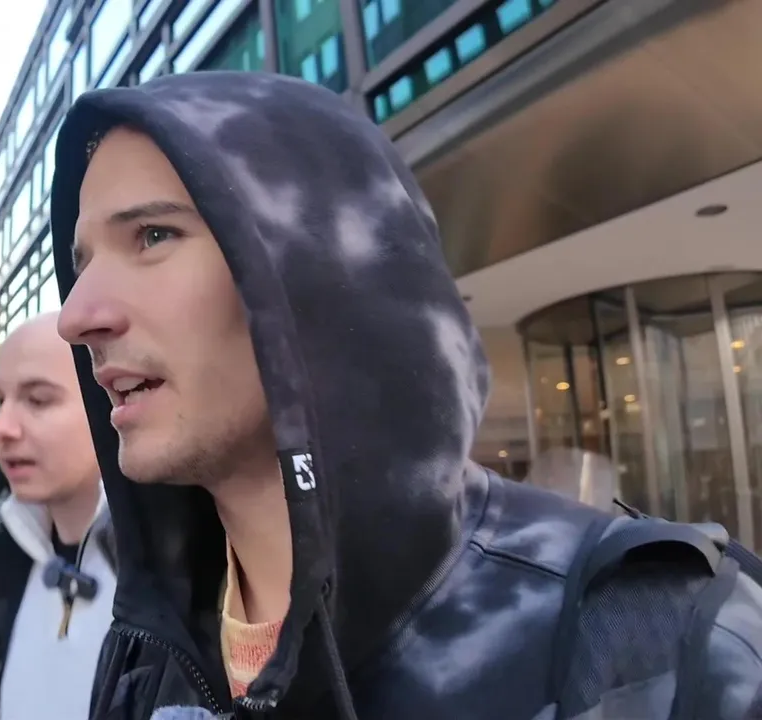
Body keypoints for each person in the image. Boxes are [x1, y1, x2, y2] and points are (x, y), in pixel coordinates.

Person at [48, 71, 762, 719]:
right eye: (81, 265)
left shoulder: (648, 637)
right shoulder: (146, 653)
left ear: (319, 271)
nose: (76, 317)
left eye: (153, 235)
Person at [0, 311, 118, 720]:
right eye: (0, 401)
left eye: (37, 400)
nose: (0, 428)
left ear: (113, 403)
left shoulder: (180, 585)